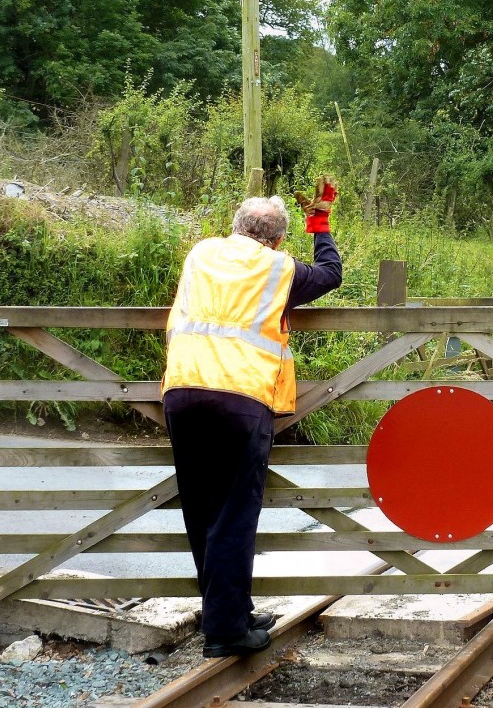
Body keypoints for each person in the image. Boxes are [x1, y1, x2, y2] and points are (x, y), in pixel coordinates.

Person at [161, 182, 343, 658]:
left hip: (181, 390)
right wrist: (320, 221)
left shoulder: (200, 253)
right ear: (278, 240)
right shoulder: (279, 267)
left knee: (201, 512)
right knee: (234, 516)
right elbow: (330, 273)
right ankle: (225, 634)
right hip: (240, 397)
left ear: (236, 227)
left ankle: (230, 612)